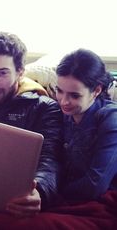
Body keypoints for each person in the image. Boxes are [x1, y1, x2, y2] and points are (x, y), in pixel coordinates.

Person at [0, 31, 63, 218]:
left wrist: (40, 192)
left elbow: (50, 160)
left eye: (3, 73)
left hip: (9, 200)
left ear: (20, 72)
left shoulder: (44, 108)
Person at [55, 48, 117, 201]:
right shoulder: (59, 113)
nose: (63, 101)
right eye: (59, 91)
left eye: (74, 95)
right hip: (63, 196)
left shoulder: (110, 119)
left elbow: (95, 185)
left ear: (96, 90)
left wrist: (50, 196)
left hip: (100, 203)